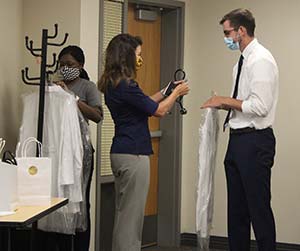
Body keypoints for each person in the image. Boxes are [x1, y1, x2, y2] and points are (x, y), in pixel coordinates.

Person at [98, 33, 189, 251]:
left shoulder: (114, 84)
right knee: (131, 219)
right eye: (138, 54)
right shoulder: (127, 85)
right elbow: (159, 110)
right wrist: (176, 93)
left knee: (124, 215)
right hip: (133, 155)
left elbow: (145, 103)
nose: (140, 59)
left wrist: (166, 90)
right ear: (126, 57)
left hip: (120, 152)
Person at [201, 9, 278, 251]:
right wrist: (223, 103)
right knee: (237, 212)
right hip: (237, 140)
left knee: (258, 209)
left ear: (241, 31)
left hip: (255, 141)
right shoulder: (241, 63)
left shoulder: (261, 60)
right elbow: (243, 101)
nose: (225, 38)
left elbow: (261, 106)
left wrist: (224, 101)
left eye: (227, 33)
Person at [54, 45, 103, 251]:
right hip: (58, 150)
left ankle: (81, 246)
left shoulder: (87, 87)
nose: (66, 68)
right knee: (59, 202)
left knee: (81, 202)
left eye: (70, 64)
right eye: (62, 64)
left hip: (82, 152)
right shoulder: (54, 84)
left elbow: (98, 115)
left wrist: (72, 98)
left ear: (80, 65)